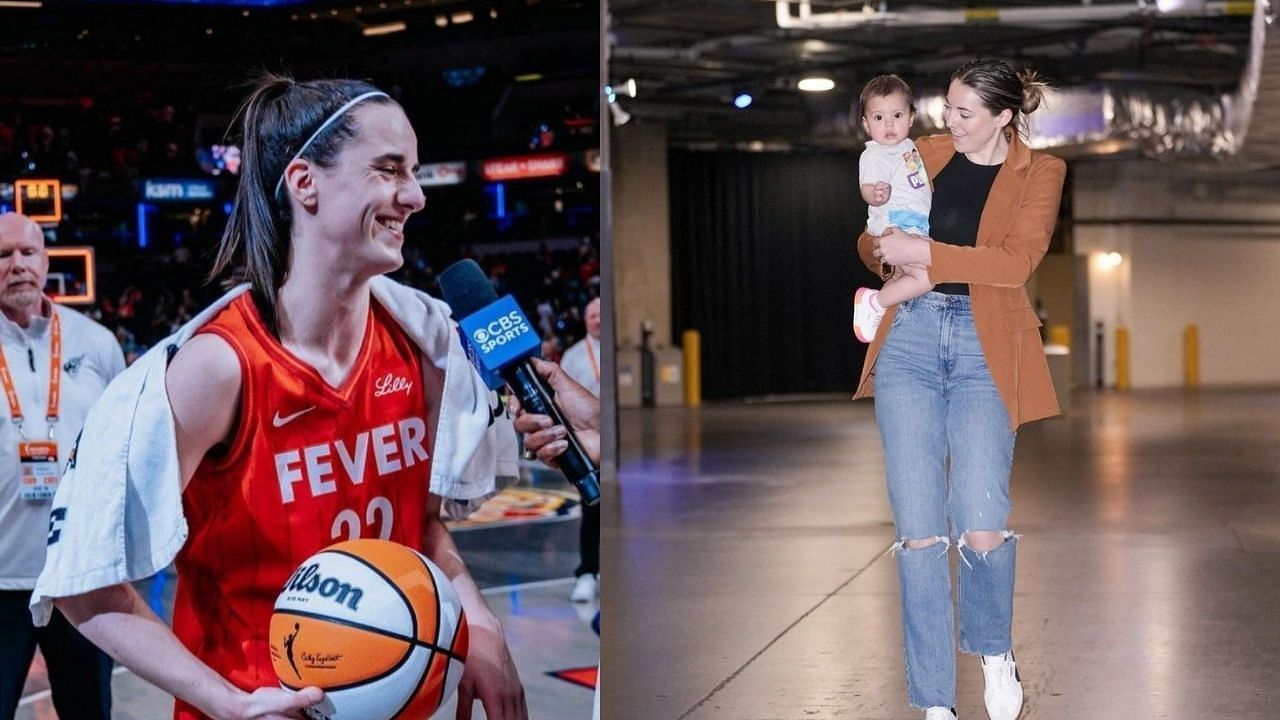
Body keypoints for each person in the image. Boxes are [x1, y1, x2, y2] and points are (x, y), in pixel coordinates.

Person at [30, 76, 527, 720]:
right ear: (305, 183)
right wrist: (230, 703)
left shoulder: (425, 347)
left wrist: (480, 625)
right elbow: (84, 586)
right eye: (388, 169)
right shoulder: (218, 366)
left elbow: (421, 525)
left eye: (414, 171)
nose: (415, 195)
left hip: (400, 703)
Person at [854, 58, 1066, 720]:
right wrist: (882, 250)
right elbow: (870, 234)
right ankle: (934, 703)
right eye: (947, 105)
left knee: (982, 523)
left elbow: (1016, 264)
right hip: (909, 339)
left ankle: (995, 654)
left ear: (1004, 116)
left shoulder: (1042, 172)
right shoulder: (922, 152)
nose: (950, 119)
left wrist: (929, 256)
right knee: (919, 532)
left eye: (966, 111)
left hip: (985, 347)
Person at [0, 213, 125, 720]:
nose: (16, 266)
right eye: (3, 255)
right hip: (1, 581)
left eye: (27, 253)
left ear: (46, 261)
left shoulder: (95, 343)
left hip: (79, 576)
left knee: (88, 711)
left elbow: (125, 445)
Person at [850, 74, 935, 344]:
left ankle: (881, 311)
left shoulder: (909, 147)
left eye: (897, 115)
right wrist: (875, 195)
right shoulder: (875, 153)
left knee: (908, 276)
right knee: (928, 276)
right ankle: (874, 302)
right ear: (866, 124)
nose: (889, 124)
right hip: (895, 223)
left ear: (911, 118)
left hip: (911, 223)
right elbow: (865, 188)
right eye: (878, 118)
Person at [558, 297, 600, 602]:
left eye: (602, 314)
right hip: (588, 445)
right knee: (592, 510)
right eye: (593, 315)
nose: (598, 319)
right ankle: (587, 572)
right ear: (585, 319)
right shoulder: (572, 356)